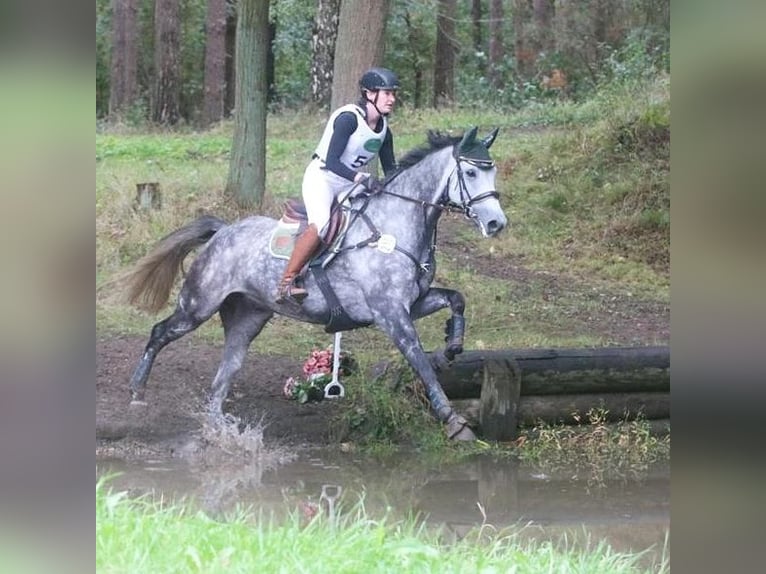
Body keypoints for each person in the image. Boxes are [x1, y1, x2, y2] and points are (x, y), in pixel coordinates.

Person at [276, 67, 400, 303]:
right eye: (387, 94)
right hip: (322, 178)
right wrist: (358, 178)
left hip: (348, 184)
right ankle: (286, 282)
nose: (392, 99)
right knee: (321, 225)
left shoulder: (385, 132)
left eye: (393, 94)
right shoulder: (348, 119)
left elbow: (391, 170)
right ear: (369, 94)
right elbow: (332, 161)